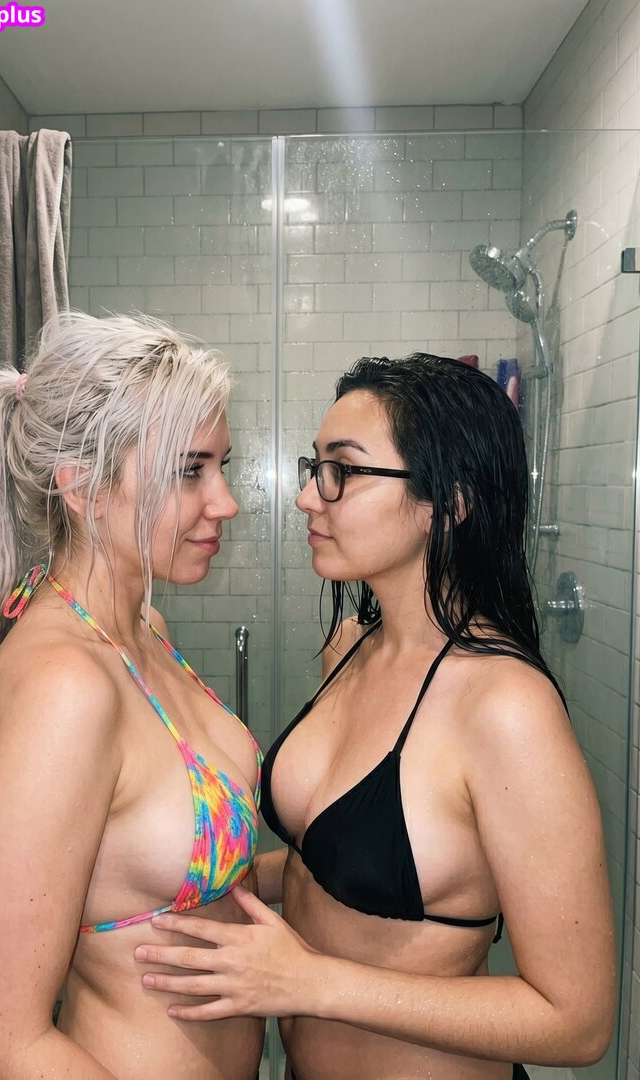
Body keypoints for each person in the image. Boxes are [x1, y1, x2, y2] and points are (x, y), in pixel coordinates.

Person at [135, 353, 616, 1079]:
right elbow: (325, 867)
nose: (308, 496)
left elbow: (577, 1021)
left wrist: (310, 983)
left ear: (447, 504)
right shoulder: (353, 648)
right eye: (315, 466)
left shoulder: (504, 708)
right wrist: (195, 878)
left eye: (344, 470)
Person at [0, 312, 265, 1080]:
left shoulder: (141, 629)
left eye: (221, 466)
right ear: (82, 486)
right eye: (190, 471)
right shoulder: (66, 685)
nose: (225, 502)